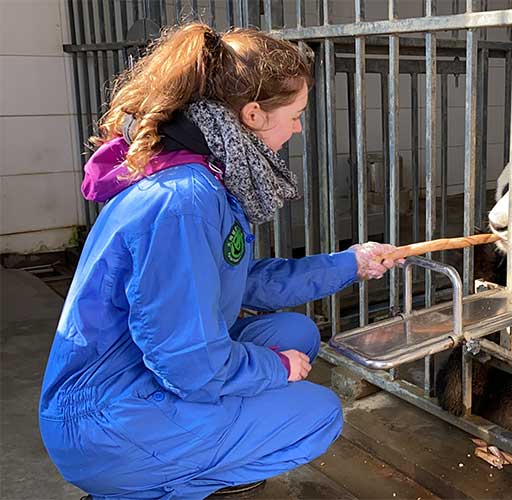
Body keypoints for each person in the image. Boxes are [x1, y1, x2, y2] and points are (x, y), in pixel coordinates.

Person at [39, 22, 402, 499]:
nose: (297, 127)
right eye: (295, 114)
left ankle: (186, 453)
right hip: (105, 423)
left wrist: (349, 263)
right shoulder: (185, 199)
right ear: (252, 115)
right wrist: (273, 368)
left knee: (296, 334)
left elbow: (241, 280)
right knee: (317, 414)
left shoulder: (197, 171)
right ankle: (147, 487)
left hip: (132, 377)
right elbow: (183, 358)